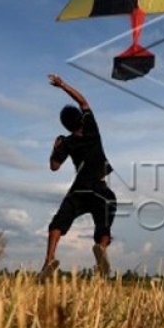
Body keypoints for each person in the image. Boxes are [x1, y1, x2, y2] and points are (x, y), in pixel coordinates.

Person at [41, 74, 117, 278]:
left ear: (66, 126)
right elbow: (83, 101)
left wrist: (54, 148)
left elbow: (54, 167)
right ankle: (101, 249)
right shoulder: (91, 128)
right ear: (80, 118)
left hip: (79, 189)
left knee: (57, 224)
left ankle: (49, 260)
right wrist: (63, 85)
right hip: (100, 189)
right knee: (104, 225)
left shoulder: (66, 142)